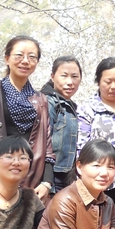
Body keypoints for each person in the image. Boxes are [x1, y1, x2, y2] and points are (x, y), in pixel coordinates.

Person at [0, 36, 54, 202]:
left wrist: (47, 182)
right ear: (7, 58)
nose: (25, 61)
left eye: (32, 57)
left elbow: (47, 145)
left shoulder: (41, 100)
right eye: (19, 55)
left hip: (32, 180)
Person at [77, 57, 115, 225]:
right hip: (99, 184)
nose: (113, 86)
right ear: (98, 81)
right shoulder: (87, 110)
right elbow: (81, 148)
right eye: (108, 81)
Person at [40, 56, 82, 194]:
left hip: (67, 177)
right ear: (52, 77)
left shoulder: (71, 106)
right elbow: (43, 143)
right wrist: (46, 182)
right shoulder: (47, 103)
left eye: (74, 76)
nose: (70, 82)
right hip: (51, 177)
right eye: (64, 76)